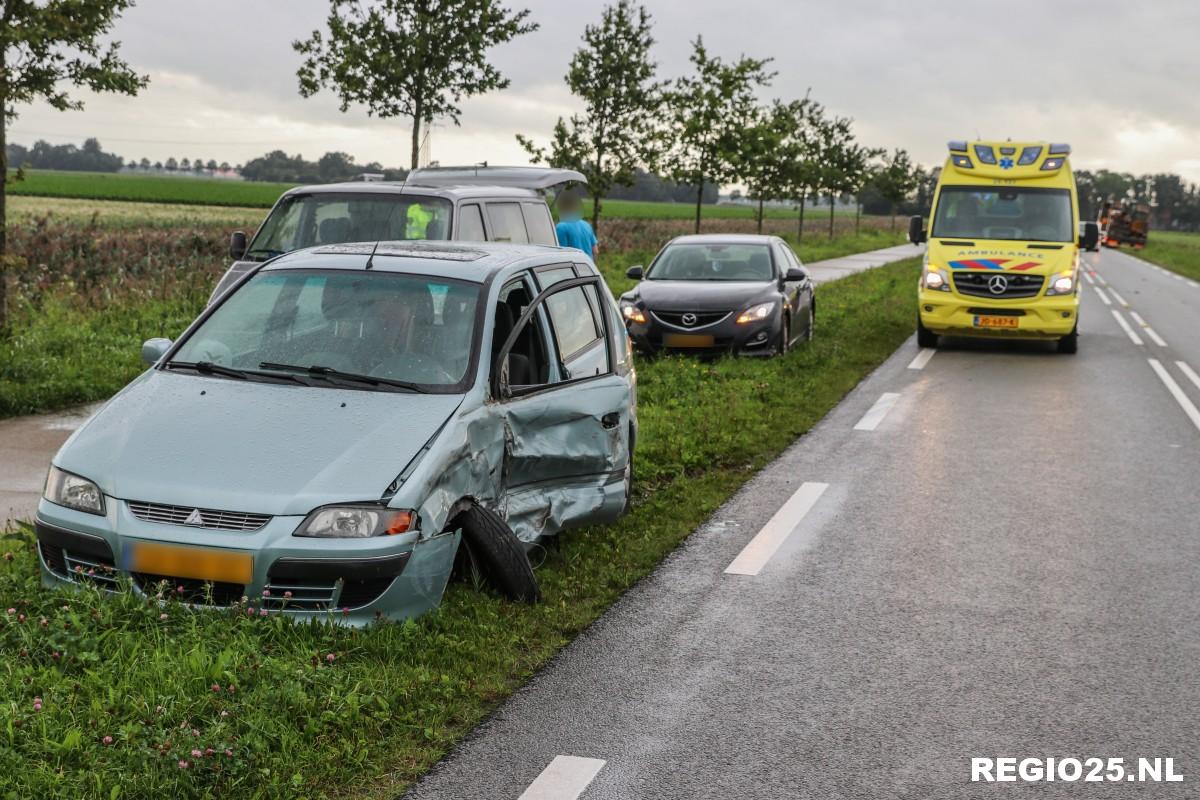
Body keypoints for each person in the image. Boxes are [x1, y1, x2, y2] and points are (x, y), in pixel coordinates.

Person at [555, 191, 598, 259]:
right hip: (588, 267)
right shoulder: (587, 225)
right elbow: (595, 251)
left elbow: (561, 255)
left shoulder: (561, 227)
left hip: (571, 268)